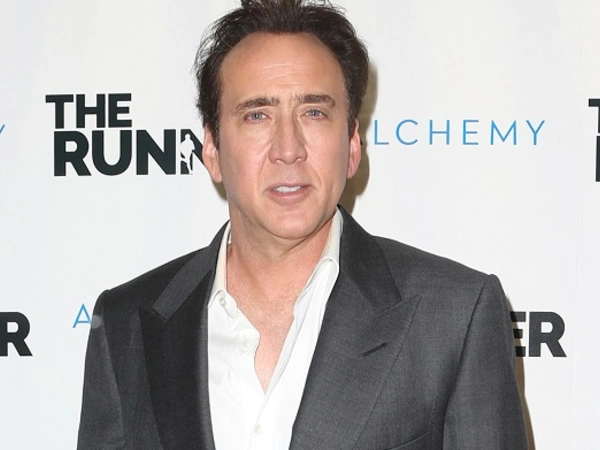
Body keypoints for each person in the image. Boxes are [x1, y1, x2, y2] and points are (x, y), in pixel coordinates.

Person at [77, 0, 528, 449]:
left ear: (352, 145)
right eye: (257, 115)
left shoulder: (454, 317)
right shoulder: (126, 325)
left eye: (314, 112)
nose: (288, 149)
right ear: (212, 150)